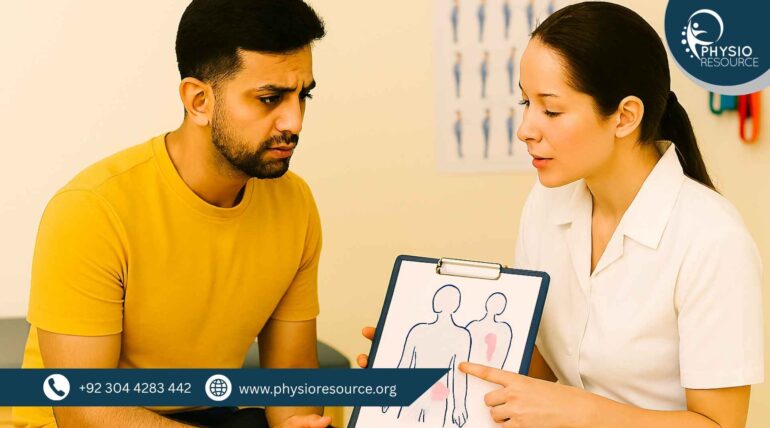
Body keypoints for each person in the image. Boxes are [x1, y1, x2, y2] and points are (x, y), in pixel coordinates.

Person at [360, 3, 763, 427]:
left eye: (550, 110)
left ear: (625, 117)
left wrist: (583, 412)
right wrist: (438, 370)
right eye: (525, 101)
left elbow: (720, 424)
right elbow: (541, 377)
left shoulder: (712, 239)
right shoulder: (546, 204)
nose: (526, 129)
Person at [13, 1, 332, 427]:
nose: (294, 121)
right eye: (270, 98)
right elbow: (82, 409)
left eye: (302, 95)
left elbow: (290, 381)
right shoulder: (92, 209)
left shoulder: (295, 204)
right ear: (199, 100)